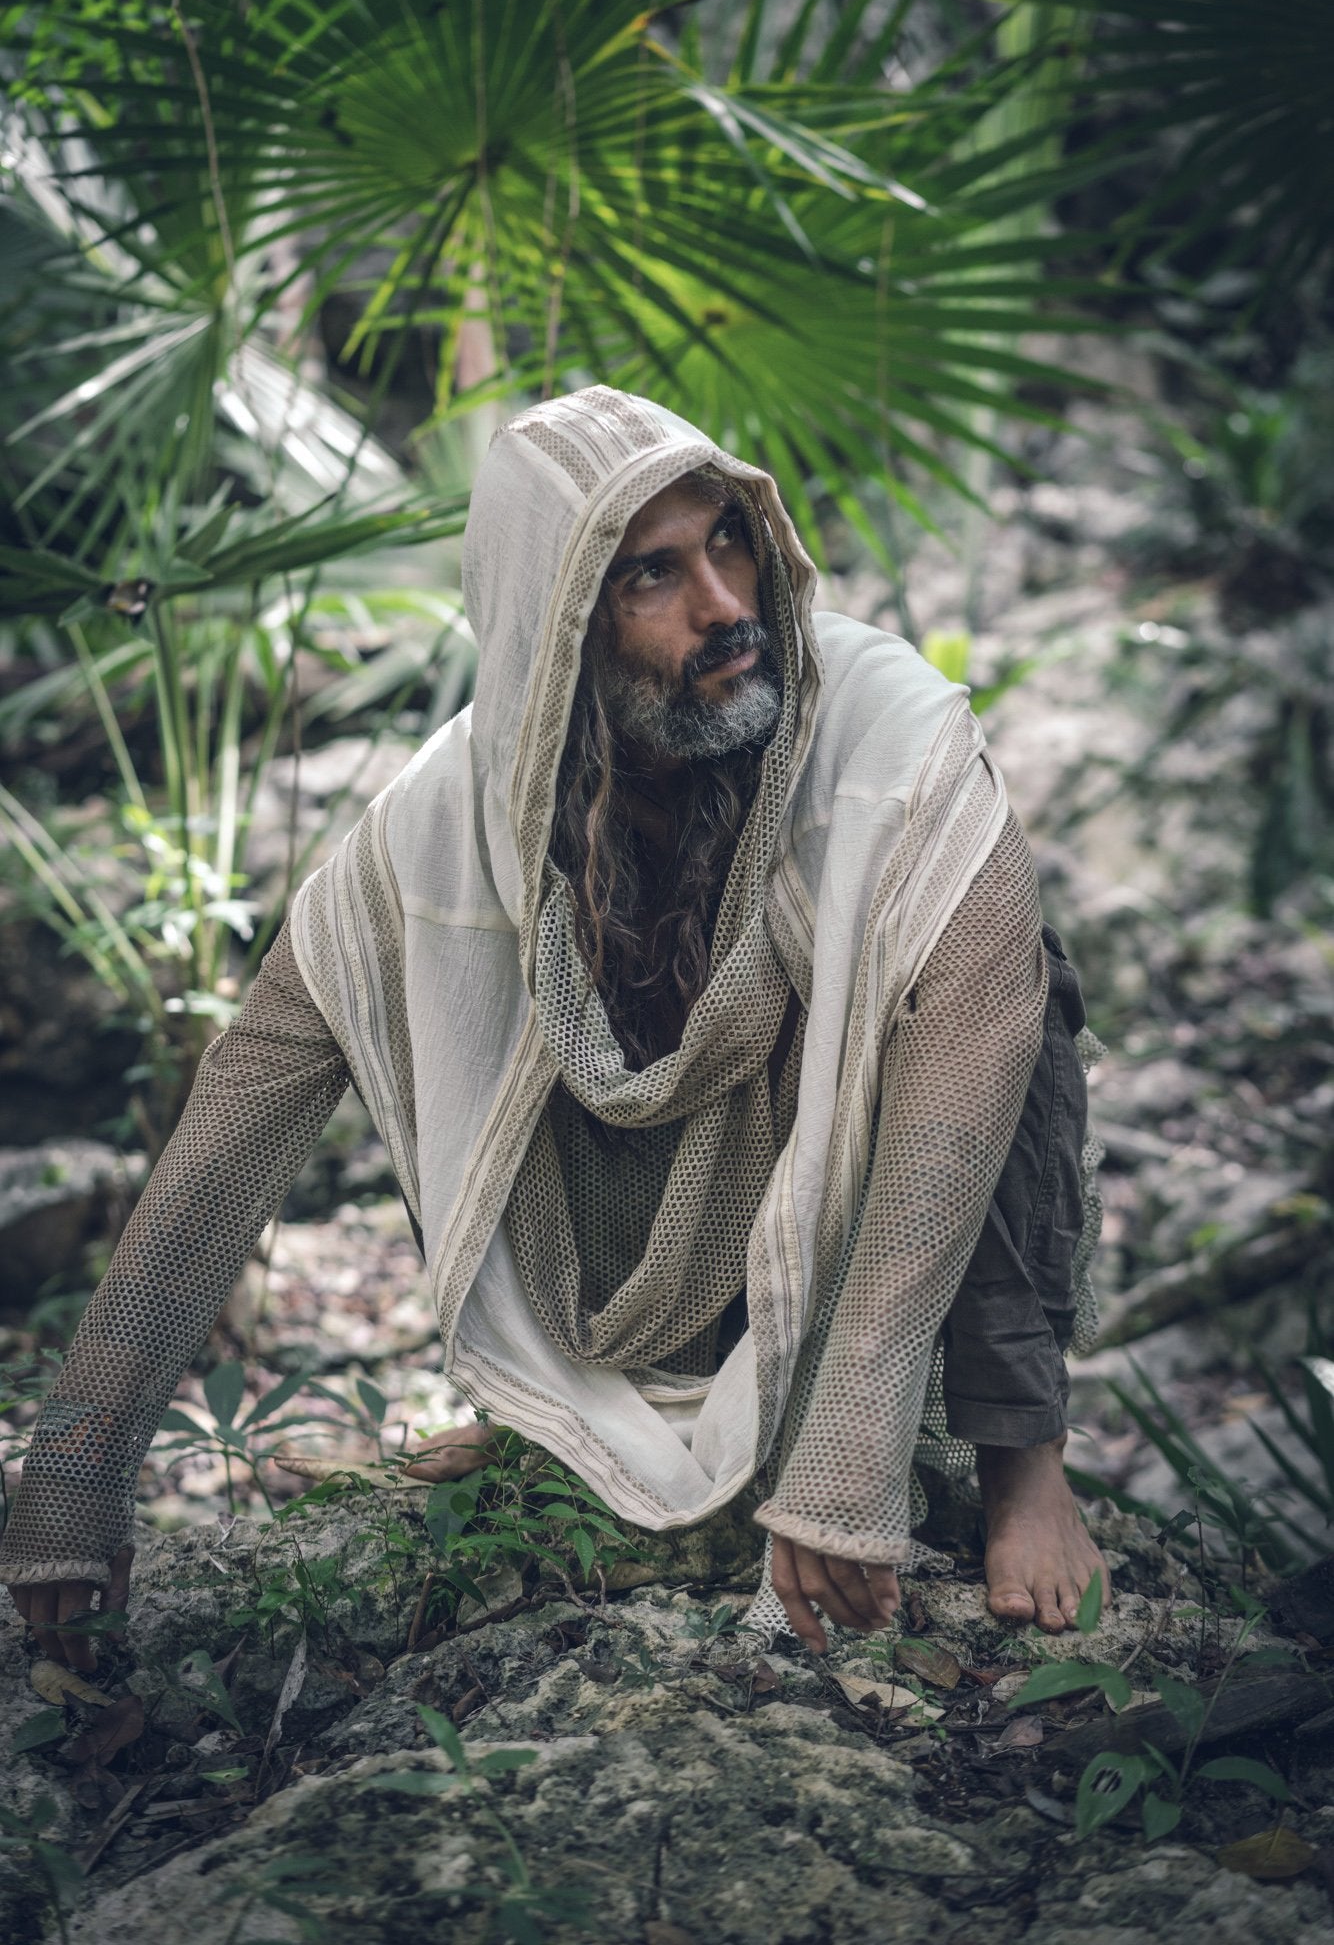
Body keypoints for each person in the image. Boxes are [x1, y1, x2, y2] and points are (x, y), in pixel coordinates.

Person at [2, 387, 1109, 1670]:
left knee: (1003, 967)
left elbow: (974, 1032)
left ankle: (1024, 1462)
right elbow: (235, 1127)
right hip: (650, 1265)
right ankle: (562, 1414)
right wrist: (74, 1472)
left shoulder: (884, 731)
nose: (723, 604)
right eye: (653, 574)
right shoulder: (452, 818)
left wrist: (854, 1440)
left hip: (865, 1206)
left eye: (727, 543)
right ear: (563, 625)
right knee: (426, 989)